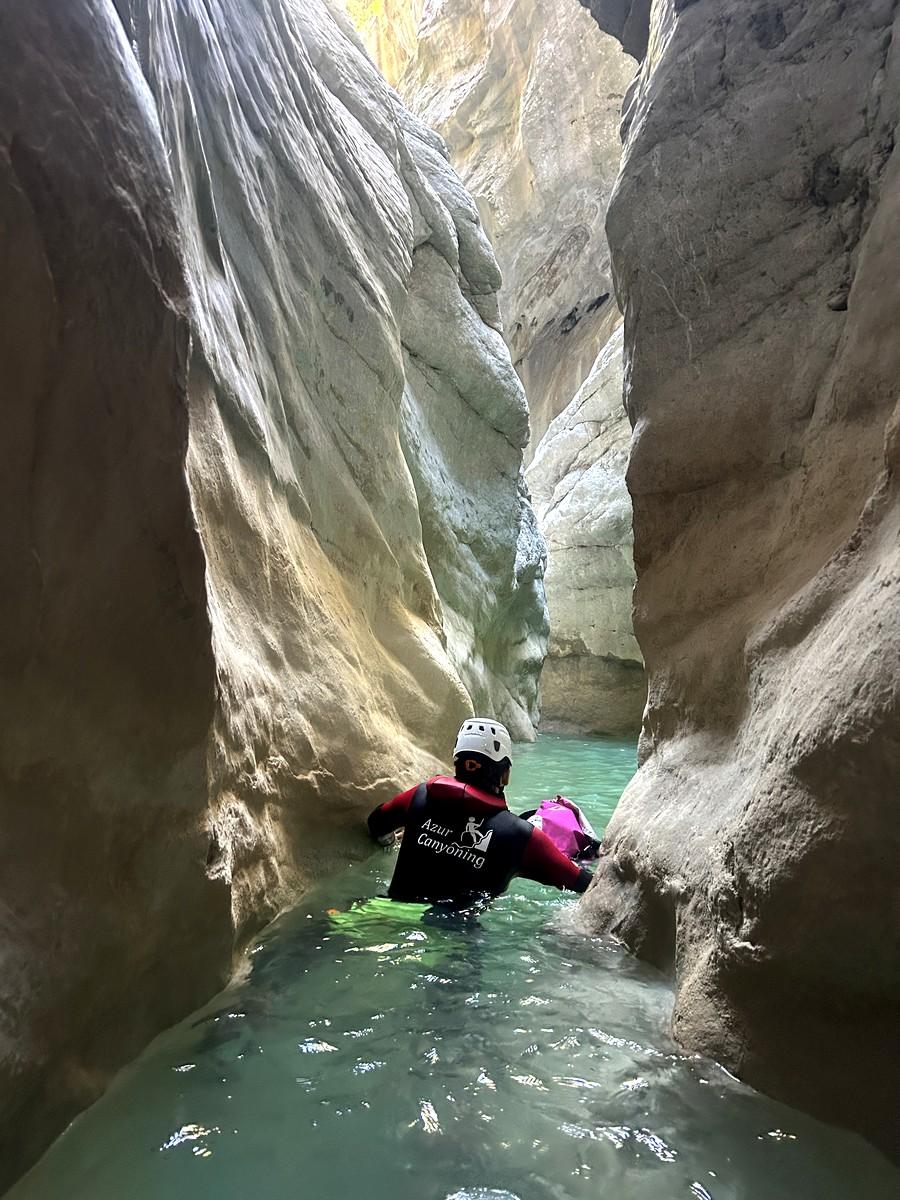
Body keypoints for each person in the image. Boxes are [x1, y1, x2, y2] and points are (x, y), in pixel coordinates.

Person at [367, 716, 593, 906]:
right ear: (505, 775)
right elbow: (584, 884)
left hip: (383, 909)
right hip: (452, 944)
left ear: (457, 762)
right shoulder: (522, 836)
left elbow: (376, 823)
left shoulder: (419, 795)